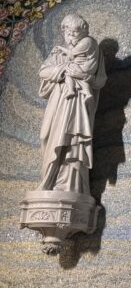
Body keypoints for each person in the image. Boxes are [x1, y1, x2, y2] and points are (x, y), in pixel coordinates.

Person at [38, 14, 107, 193]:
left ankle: (70, 186)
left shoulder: (91, 48)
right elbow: (43, 72)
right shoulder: (58, 52)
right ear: (64, 33)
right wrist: (63, 69)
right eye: (68, 33)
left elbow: (96, 77)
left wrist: (80, 74)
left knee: (71, 141)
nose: (72, 36)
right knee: (46, 136)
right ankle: (47, 182)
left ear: (84, 31)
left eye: (76, 32)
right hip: (58, 99)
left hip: (77, 100)